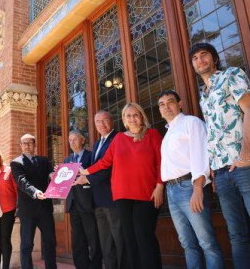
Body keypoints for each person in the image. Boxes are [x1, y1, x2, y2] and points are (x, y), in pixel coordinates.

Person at [80, 103, 164, 269]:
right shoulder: (119, 139)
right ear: (124, 120)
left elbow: (161, 163)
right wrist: (85, 172)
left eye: (136, 115)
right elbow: (105, 162)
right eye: (128, 116)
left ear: (142, 117)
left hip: (147, 194)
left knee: (144, 236)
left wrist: (160, 186)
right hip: (122, 195)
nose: (132, 119)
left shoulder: (153, 135)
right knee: (129, 239)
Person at [189, 42, 250, 268]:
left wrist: (246, 153)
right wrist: (213, 168)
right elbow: (214, 132)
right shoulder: (203, 96)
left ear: (214, 58)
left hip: (245, 164)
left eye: (204, 55)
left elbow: (249, 109)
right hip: (222, 174)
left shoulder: (231, 75)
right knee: (237, 235)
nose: (200, 60)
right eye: (195, 58)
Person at [158, 90, 224, 268]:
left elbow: (200, 155)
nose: (166, 107)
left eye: (170, 102)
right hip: (172, 190)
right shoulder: (168, 133)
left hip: (189, 187)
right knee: (188, 244)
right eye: (162, 104)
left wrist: (198, 188)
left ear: (180, 104)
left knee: (207, 243)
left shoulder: (191, 122)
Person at [75, 110, 126, 269]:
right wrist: (67, 173)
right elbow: (92, 168)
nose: (102, 124)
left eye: (105, 120)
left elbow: (111, 167)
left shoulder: (119, 138)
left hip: (113, 197)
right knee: (106, 243)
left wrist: (87, 178)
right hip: (97, 200)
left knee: (120, 240)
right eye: (98, 121)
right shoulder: (97, 143)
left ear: (111, 121)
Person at [10, 134, 57, 269]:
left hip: (45, 209)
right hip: (27, 210)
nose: (27, 145)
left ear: (34, 145)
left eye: (30, 143)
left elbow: (50, 175)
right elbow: (22, 182)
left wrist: (53, 175)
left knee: (50, 242)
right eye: (24, 143)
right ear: (20, 145)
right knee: (26, 245)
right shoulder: (16, 163)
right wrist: (35, 192)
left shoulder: (44, 160)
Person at [64, 130, 102, 269]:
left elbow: (95, 177)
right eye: (70, 140)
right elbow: (64, 181)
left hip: (88, 204)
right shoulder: (67, 160)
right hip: (73, 204)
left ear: (82, 140)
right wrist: (55, 176)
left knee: (93, 238)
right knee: (78, 240)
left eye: (75, 139)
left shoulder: (91, 157)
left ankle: (95, 266)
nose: (72, 142)